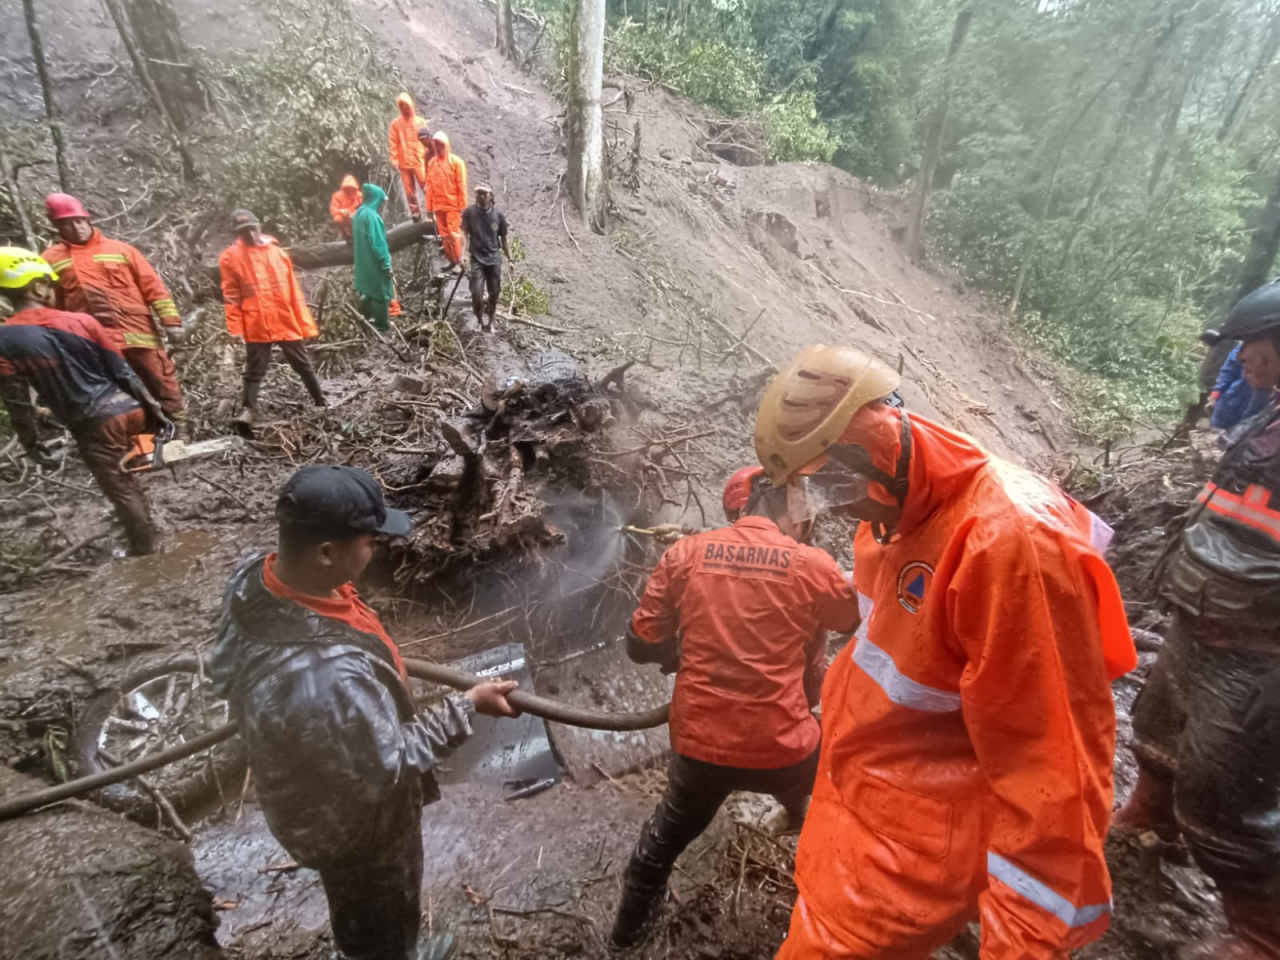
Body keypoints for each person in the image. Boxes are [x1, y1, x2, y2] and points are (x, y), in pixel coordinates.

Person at [752, 345, 1136, 960]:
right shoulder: (891, 511)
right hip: (862, 806)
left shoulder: (1013, 547)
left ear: (874, 452)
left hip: (912, 854)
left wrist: (1023, 943)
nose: (829, 508)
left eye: (829, 486)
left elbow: (1054, 776)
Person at [209, 464, 520, 960]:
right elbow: (387, 765)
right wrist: (467, 706)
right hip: (356, 825)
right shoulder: (323, 678)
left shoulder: (256, 574)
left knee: (359, 910)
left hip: (321, 770)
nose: (376, 548)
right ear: (326, 552)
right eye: (368, 540)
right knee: (382, 907)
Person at [610, 465, 859, 949]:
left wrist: (682, 651)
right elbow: (851, 617)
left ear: (737, 510)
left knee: (661, 842)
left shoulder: (685, 553)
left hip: (700, 747)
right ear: (789, 508)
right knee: (826, 789)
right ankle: (830, 908)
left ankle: (625, 937)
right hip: (786, 748)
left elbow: (640, 644)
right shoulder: (813, 564)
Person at [1115, 280, 1280, 960]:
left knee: (1228, 791)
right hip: (1203, 620)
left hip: (1258, 648)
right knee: (1160, 725)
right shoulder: (1267, 417)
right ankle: (1153, 819)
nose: (1242, 361)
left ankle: (1258, 929)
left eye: (1253, 347)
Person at [0, 247, 172, 556]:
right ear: (38, 286)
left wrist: (30, 442)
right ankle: (149, 527)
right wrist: (155, 410)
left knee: (119, 490)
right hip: (130, 410)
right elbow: (123, 372)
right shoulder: (82, 321)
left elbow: (17, 403)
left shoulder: (4, 339)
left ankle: (146, 555)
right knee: (127, 475)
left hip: (94, 424)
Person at [41, 192, 188, 437]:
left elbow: (153, 287)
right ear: (57, 226)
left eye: (79, 221)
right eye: (67, 223)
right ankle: (143, 434)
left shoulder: (121, 250)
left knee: (161, 380)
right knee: (115, 391)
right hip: (92, 341)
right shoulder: (50, 260)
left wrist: (171, 323)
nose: (76, 227)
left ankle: (180, 428)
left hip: (137, 332)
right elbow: (51, 306)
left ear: (88, 220)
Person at [218, 210, 326, 434]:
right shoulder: (229, 257)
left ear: (259, 226)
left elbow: (294, 291)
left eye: (252, 228)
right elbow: (231, 296)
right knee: (254, 369)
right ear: (236, 234)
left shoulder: (278, 254)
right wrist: (235, 328)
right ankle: (248, 411)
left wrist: (303, 321)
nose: (249, 234)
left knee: (302, 364)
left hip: (283, 317)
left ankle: (321, 402)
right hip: (256, 321)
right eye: (243, 231)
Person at [460, 184, 510, 331]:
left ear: (491, 196)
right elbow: (464, 233)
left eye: (485, 194)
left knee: (494, 292)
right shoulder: (469, 213)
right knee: (476, 292)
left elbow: (504, 239)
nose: (481, 197)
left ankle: (491, 321)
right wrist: (463, 254)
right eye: (479, 194)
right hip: (477, 258)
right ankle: (479, 319)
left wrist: (510, 259)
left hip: (494, 259)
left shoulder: (498, 216)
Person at [1207, 339, 1279, 431]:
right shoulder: (1244, 349)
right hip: (1230, 403)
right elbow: (1227, 372)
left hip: (1259, 408)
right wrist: (1215, 395)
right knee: (1216, 433)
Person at [351, 183, 395, 333]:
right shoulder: (373, 217)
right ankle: (382, 326)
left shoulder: (358, 214)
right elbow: (378, 243)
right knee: (381, 292)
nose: (382, 204)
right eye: (381, 201)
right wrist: (386, 264)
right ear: (376, 199)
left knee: (367, 290)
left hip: (362, 262)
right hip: (374, 263)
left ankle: (363, 318)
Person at [424, 132, 467, 269]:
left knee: (454, 234)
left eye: (440, 145)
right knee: (444, 235)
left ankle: (459, 261)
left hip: (452, 205)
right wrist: (429, 208)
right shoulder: (432, 163)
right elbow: (429, 186)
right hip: (438, 206)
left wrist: (462, 206)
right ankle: (452, 260)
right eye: (436, 145)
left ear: (446, 145)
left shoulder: (456, 163)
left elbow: (462, 185)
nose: (438, 148)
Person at [389, 93, 428, 221]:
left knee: (426, 186)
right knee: (409, 191)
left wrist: (428, 157)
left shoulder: (420, 122)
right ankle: (415, 213)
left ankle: (432, 209)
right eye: (402, 106)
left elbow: (427, 140)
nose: (405, 108)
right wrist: (394, 160)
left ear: (411, 105)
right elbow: (393, 142)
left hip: (418, 160)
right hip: (404, 162)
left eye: (407, 105)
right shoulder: (396, 124)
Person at [329, 175, 363, 242]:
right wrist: (342, 211)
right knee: (337, 219)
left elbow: (365, 207)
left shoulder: (360, 196)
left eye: (352, 188)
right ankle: (348, 237)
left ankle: (362, 236)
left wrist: (356, 212)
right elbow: (333, 210)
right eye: (347, 188)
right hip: (345, 219)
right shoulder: (337, 196)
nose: (350, 191)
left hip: (358, 218)